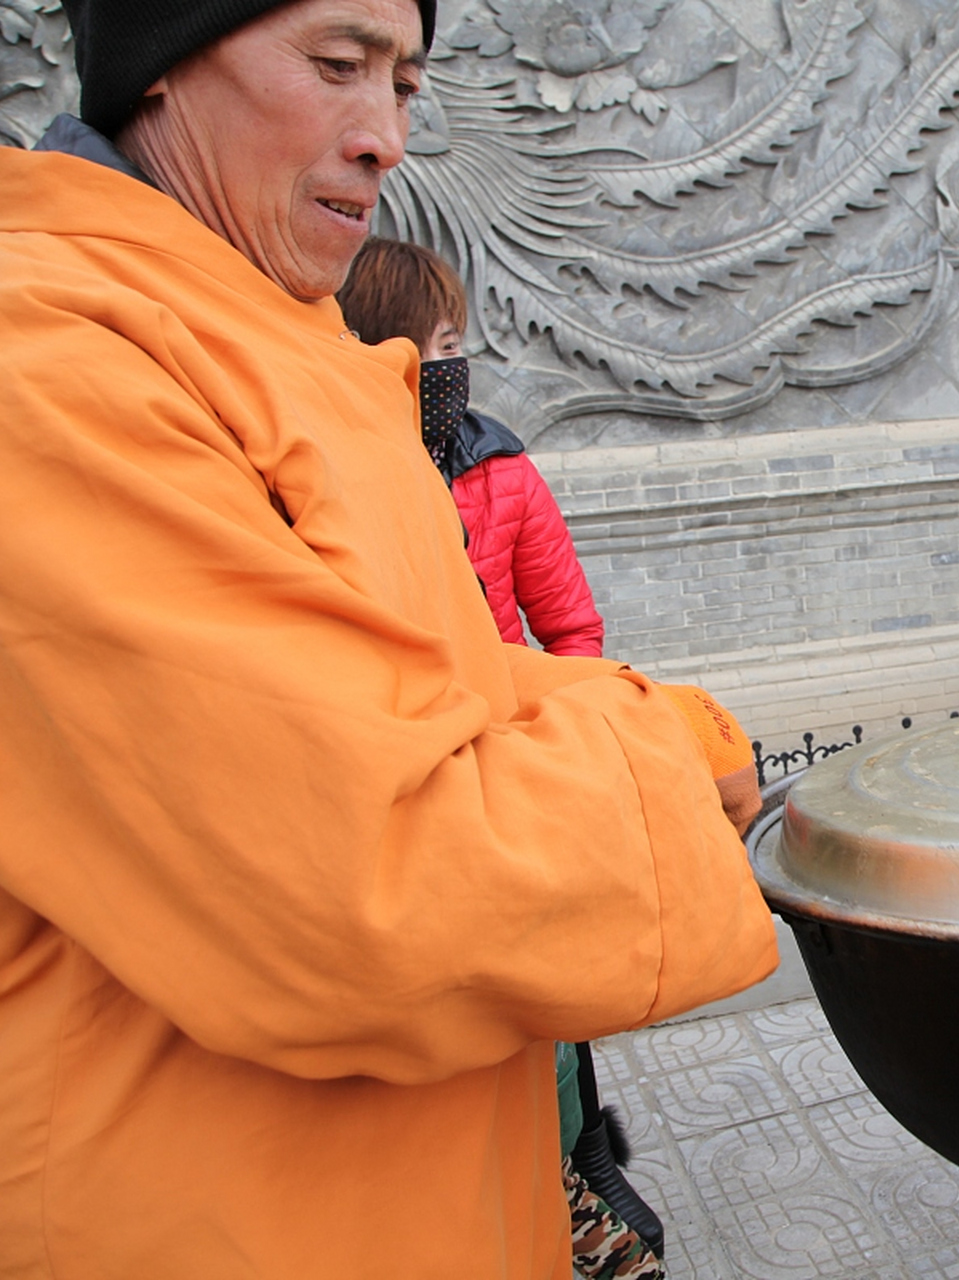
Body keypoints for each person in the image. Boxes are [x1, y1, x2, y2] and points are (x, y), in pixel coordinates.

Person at [0, 1, 776, 1276]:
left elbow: (412, 676)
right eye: (338, 67)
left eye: (403, 82)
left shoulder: (275, 330)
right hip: (201, 1216)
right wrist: (659, 754)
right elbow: (362, 870)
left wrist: (631, 711)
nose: (386, 136)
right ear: (160, 68)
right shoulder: (40, 358)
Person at [338, 236, 660, 1276]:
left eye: (457, 344)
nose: (455, 365)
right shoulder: (329, 474)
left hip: (511, 770)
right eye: (437, 344)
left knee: (545, 1005)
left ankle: (577, 1155)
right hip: (395, 782)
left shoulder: (501, 468)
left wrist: (553, 736)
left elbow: (571, 628)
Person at [338, 237, 607, 658]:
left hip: (506, 709)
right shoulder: (316, 467)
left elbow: (573, 630)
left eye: (448, 347)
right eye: (410, 348)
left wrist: (545, 717)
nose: (438, 366)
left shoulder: (502, 468)